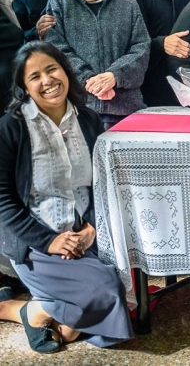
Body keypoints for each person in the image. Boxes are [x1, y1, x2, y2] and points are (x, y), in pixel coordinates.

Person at [0, 42, 133, 352]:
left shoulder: (88, 120)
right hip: (35, 242)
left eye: (52, 70)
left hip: (82, 236)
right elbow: (3, 200)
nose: (47, 80)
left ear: (65, 72)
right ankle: (28, 310)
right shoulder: (11, 128)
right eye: (35, 76)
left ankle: (37, 311)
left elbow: (100, 184)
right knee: (106, 291)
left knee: (119, 287)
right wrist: (49, 241)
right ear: (24, 87)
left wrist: (92, 227)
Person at [45, 0, 150, 128]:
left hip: (125, 106)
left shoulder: (128, 5)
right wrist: (89, 80)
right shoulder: (59, 3)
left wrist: (114, 76)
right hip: (78, 106)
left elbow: (141, 47)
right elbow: (55, 48)